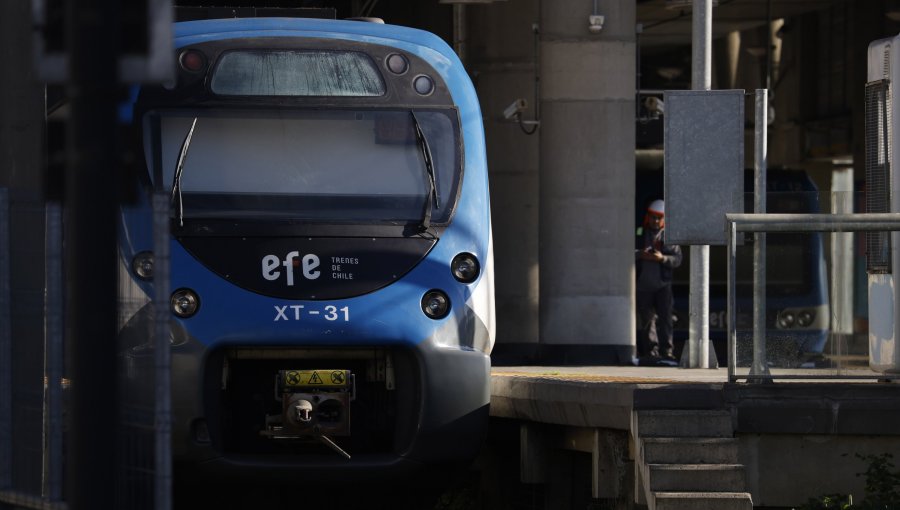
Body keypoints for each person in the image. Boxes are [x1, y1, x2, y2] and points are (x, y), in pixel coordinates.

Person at [635, 199, 682, 366]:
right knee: (647, 320)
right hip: (643, 285)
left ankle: (667, 352)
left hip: (663, 286)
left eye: (659, 218)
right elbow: (626, 252)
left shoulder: (669, 237)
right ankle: (650, 352)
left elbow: (677, 259)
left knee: (666, 319)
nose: (655, 221)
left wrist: (661, 258)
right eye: (653, 217)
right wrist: (640, 254)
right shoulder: (639, 233)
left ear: (664, 220)